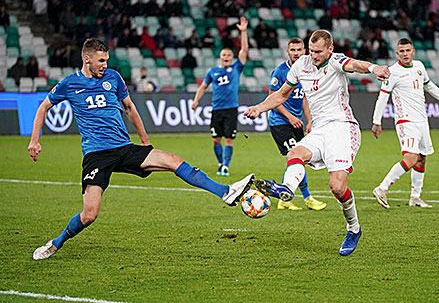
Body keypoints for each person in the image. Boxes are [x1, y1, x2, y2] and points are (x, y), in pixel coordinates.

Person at [29, 38, 255, 260]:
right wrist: (35, 141)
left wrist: (144, 139)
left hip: (125, 147)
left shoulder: (113, 77)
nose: (105, 65)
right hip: (97, 155)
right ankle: (55, 243)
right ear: (86, 59)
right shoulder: (69, 84)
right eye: (100, 61)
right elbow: (43, 108)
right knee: (89, 215)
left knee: (173, 160)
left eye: (106, 60)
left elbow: (129, 108)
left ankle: (225, 192)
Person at [244, 30, 390, 256]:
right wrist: (258, 108)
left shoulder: (335, 61)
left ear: (329, 49)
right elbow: (281, 94)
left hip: (343, 128)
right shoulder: (300, 65)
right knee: (295, 153)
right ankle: (287, 190)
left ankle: (353, 228)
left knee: (337, 187)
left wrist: (374, 68)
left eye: (318, 52)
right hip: (320, 130)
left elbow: (356, 65)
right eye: (311, 51)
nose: (313, 56)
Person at [371, 38, 439, 209]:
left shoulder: (419, 66)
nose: (405, 54)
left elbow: (429, 86)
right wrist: (377, 121)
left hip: (422, 119)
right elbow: (383, 96)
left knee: (421, 159)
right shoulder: (392, 72)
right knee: (411, 158)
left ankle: (415, 197)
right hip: (406, 121)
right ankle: (382, 188)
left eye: (407, 50)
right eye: (401, 51)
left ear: (413, 51)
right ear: (397, 54)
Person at [267, 37, 327, 212]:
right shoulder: (280, 72)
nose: (296, 53)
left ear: (304, 51)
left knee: (301, 160)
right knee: (296, 158)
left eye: (299, 50)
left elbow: (305, 99)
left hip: (297, 123)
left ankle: (287, 199)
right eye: (293, 50)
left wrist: (309, 121)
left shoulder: (305, 71)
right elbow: (273, 99)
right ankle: (306, 198)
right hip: (280, 123)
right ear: (288, 52)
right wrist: (290, 117)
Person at [191, 17, 248, 177]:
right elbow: (203, 86)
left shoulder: (236, 68)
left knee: (229, 140)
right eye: (224, 55)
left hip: (231, 109)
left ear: (232, 57)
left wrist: (243, 32)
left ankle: (226, 167)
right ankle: (220, 162)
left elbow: (244, 50)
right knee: (216, 140)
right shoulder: (213, 72)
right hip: (216, 109)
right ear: (220, 57)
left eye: (229, 55)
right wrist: (196, 100)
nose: (227, 57)